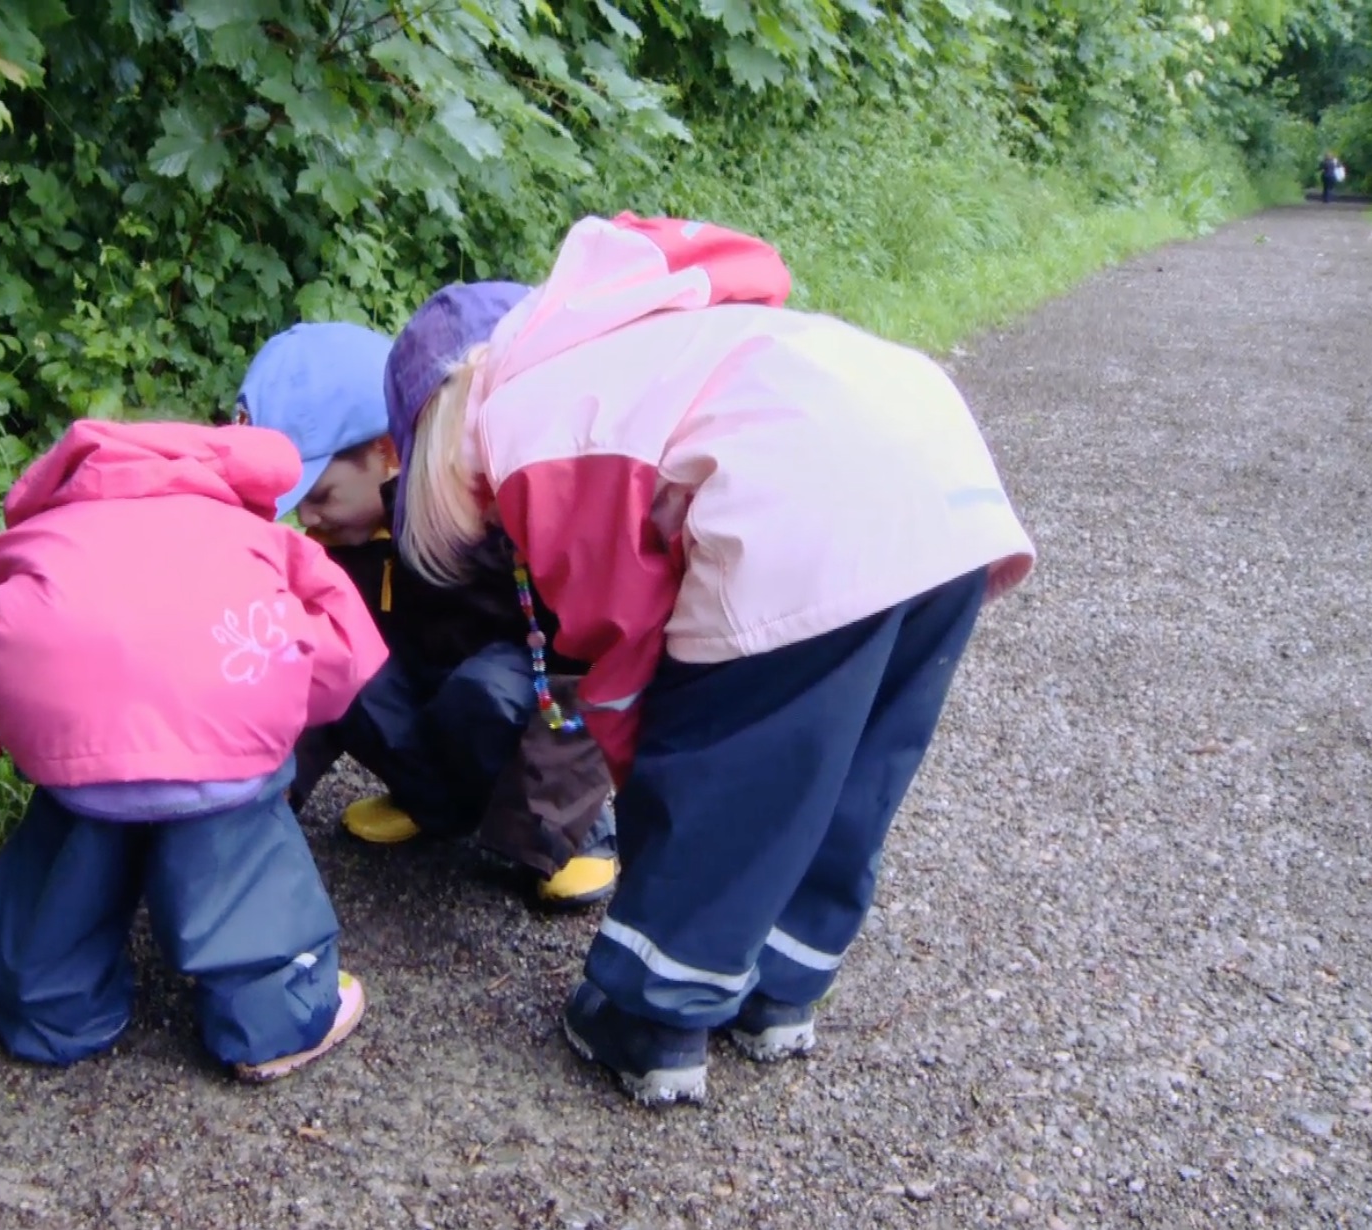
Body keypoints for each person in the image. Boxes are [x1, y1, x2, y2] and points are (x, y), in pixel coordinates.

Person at [387, 213, 1036, 1105]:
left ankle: (649, 1014)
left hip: (809, 494)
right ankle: (778, 990)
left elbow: (620, 655)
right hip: (942, 477)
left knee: (718, 764)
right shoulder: (635, 351)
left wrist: (637, 761)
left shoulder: (532, 431)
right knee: (847, 765)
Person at [0, 418, 386, 1081]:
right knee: (238, 836)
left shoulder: (37, 537)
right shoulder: (261, 539)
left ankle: (48, 1008)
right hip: (227, 734)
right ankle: (271, 1019)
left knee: (76, 828)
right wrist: (283, 726)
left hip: (74, 755)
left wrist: (7, 701)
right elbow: (344, 650)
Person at [234, 320, 620, 907]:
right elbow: (310, 680)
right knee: (339, 661)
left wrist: (546, 823)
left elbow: (577, 671)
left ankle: (581, 834)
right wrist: (274, 786)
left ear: (387, 455)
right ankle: (432, 802)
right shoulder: (346, 549)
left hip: (514, 697)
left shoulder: (475, 520)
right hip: (440, 710)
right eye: (296, 505)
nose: (308, 520)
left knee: (487, 688)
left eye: (322, 496)